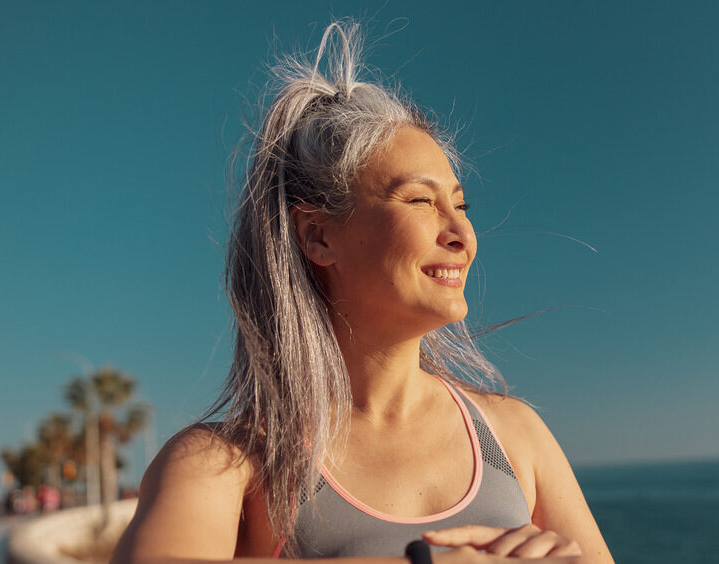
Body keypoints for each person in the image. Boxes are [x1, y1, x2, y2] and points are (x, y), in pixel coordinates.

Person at [113, 21, 613, 564]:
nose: (462, 235)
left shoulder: (515, 434)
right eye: (421, 202)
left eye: (461, 205)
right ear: (319, 235)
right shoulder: (226, 461)